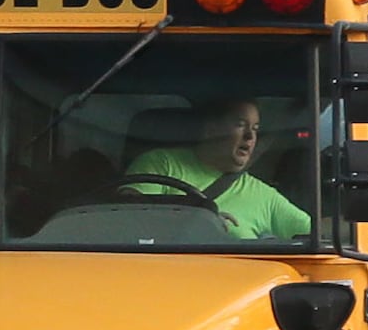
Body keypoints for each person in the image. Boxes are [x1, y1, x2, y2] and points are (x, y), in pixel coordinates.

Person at [123, 96, 311, 239]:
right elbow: (126, 213)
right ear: (211, 129)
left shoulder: (264, 196)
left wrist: (341, 223)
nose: (249, 137)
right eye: (240, 125)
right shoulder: (162, 163)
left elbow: (315, 231)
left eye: (255, 129)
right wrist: (199, 219)